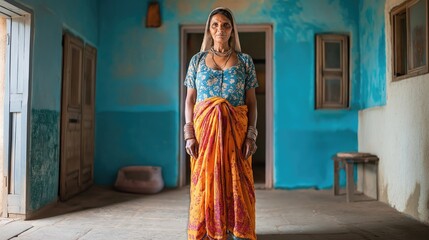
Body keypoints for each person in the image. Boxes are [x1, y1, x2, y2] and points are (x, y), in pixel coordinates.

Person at [183, 7, 259, 240]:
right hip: (205, 133)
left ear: (232, 29)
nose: (220, 29)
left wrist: (251, 135)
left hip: (236, 132)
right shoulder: (196, 60)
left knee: (238, 180)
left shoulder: (245, 61)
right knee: (206, 180)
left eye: (225, 24)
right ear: (209, 29)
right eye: (215, 24)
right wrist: (189, 134)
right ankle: (208, 230)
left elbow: (252, 103)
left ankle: (237, 230)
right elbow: (190, 100)